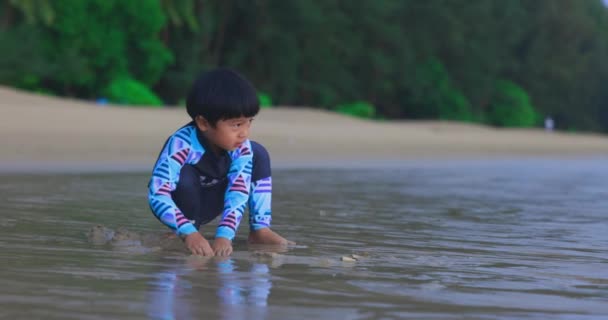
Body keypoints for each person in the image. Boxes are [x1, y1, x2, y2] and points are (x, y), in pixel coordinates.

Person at [147, 68, 292, 256]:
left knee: (259, 152)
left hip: (215, 198)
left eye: (249, 122)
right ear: (204, 123)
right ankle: (187, 228)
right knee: (185, 174)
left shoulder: (242, 146)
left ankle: (260, 229)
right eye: (237, 125)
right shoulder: (181, 144)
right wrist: (188, 232)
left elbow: (238, 190)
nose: (245, 133)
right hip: (184, 203)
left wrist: (225, 235)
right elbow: (157, 193)